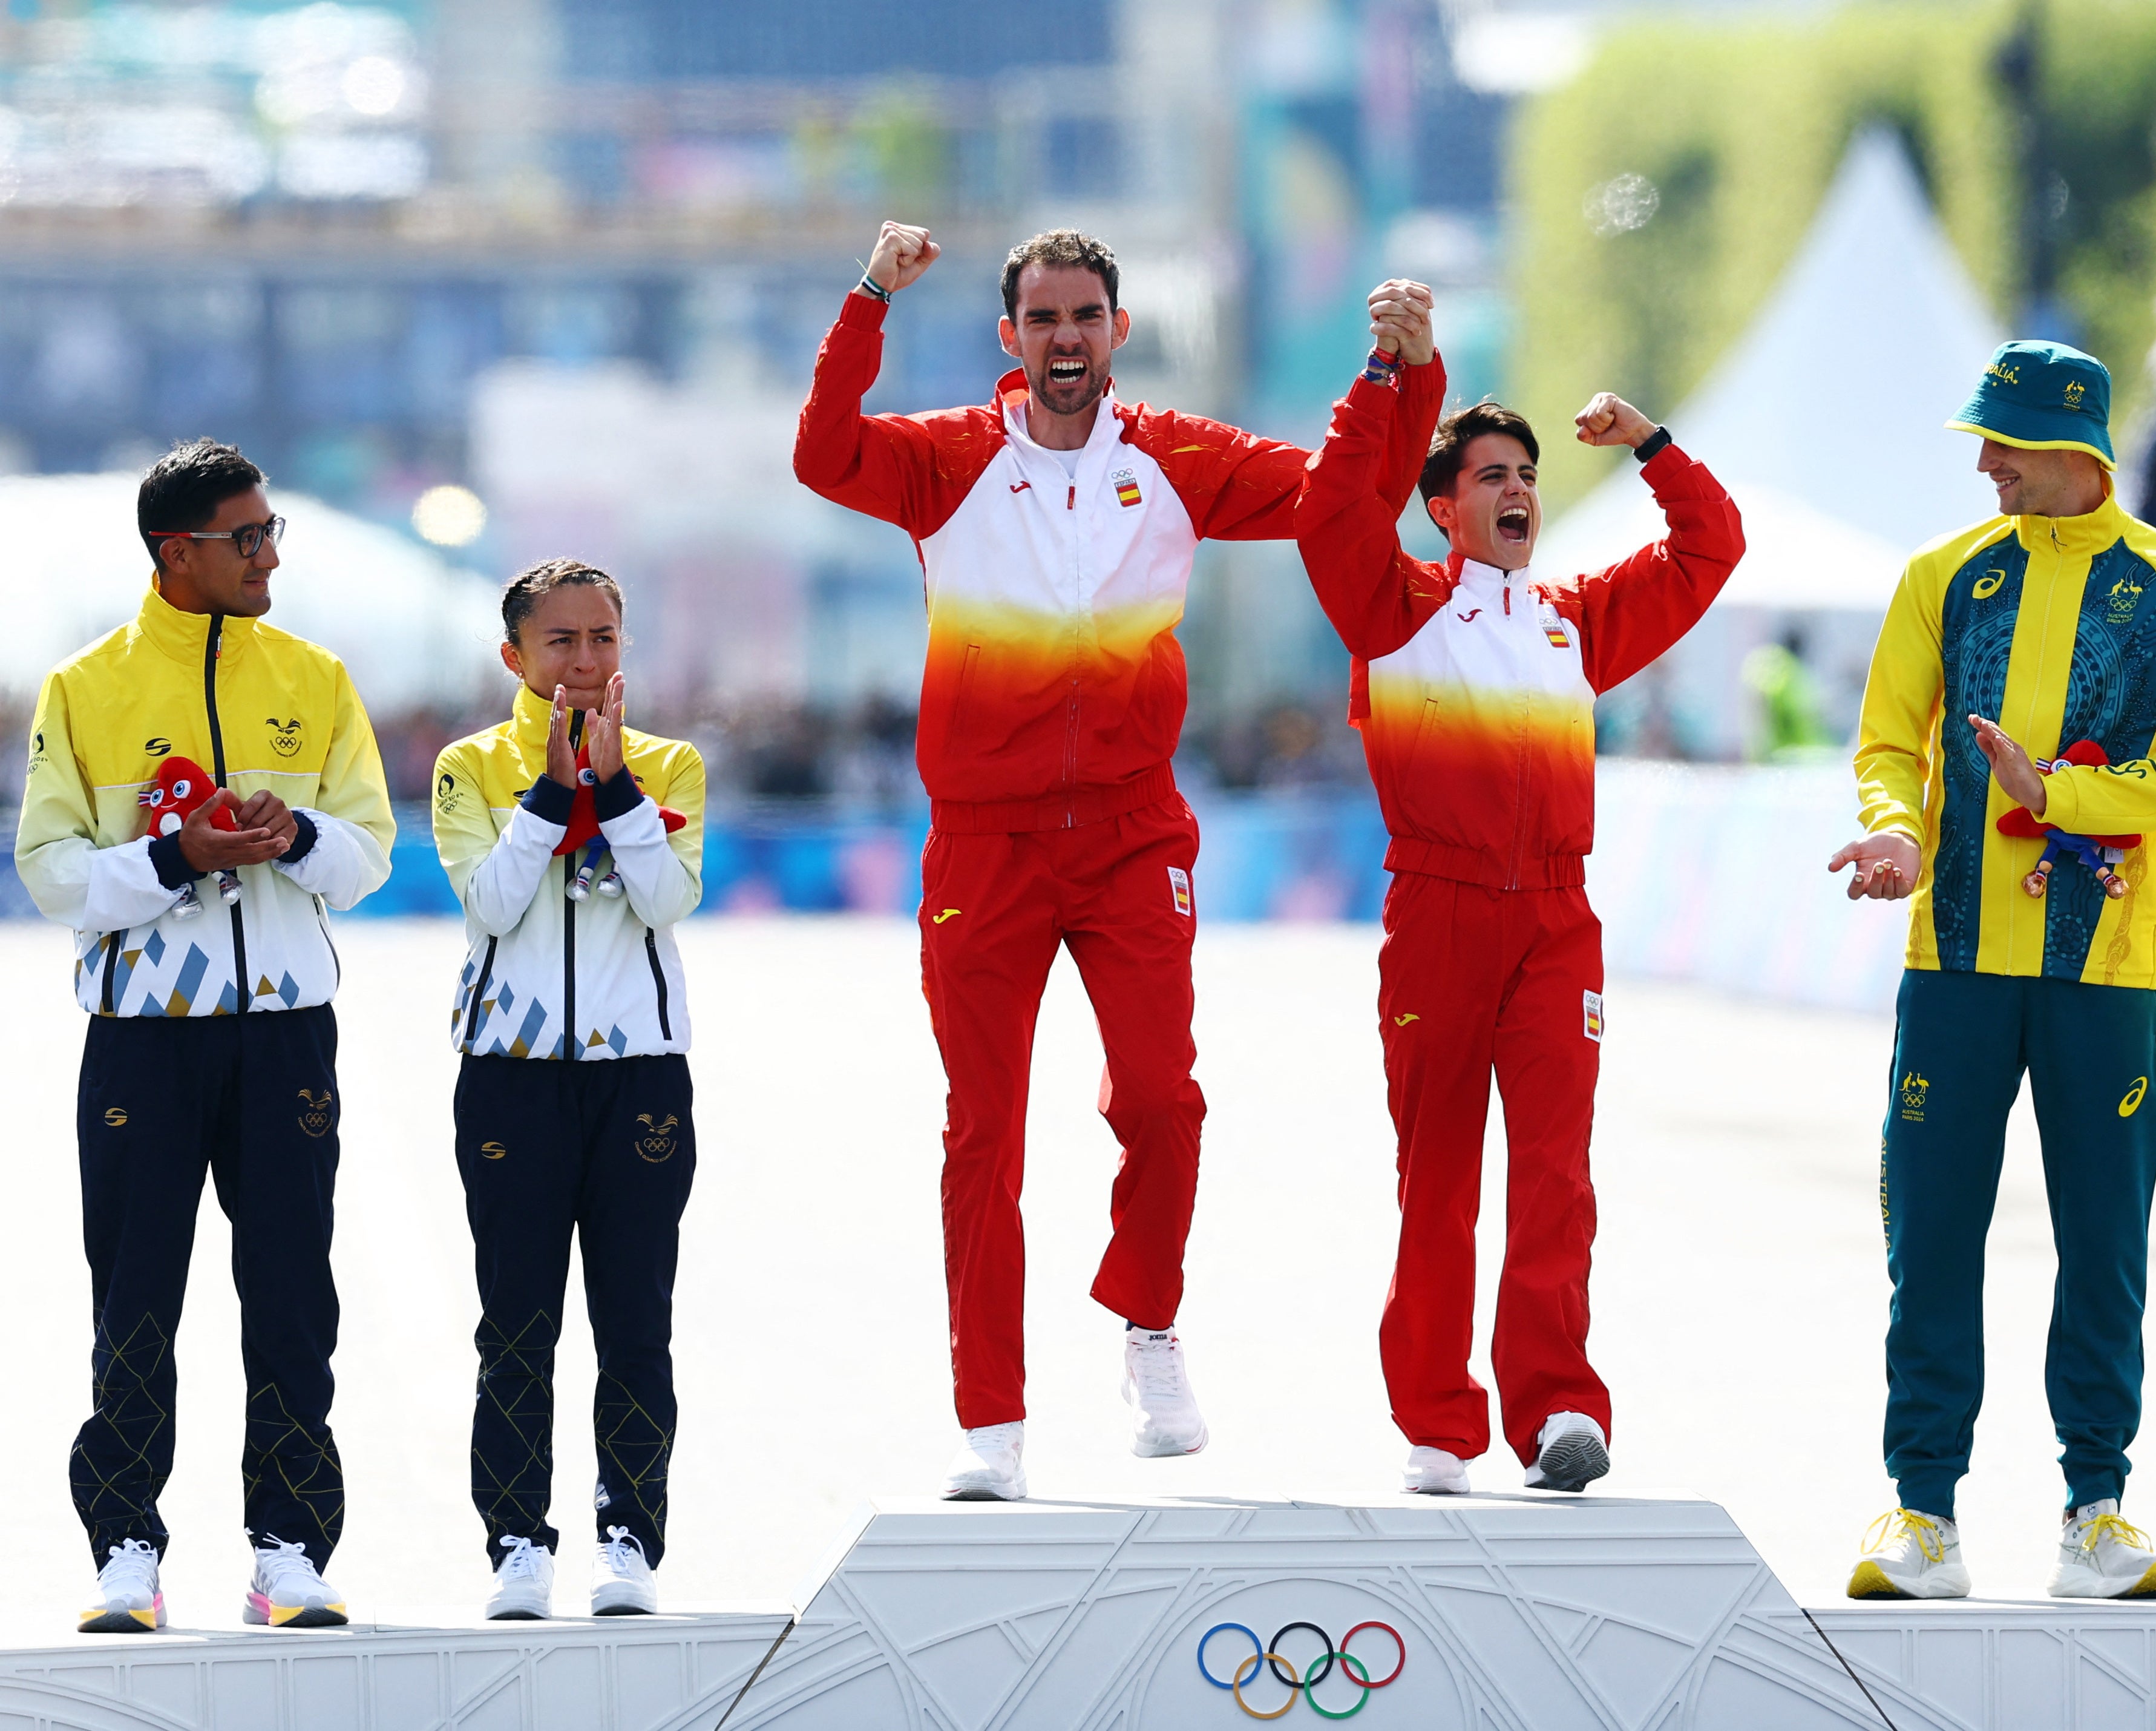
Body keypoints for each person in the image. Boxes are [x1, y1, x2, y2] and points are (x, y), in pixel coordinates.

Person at [792, 221, 1441, 1500]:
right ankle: (992, 1417)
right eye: (1042, 320)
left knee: (1160, 1096)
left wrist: (1399, 378)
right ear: (1010, 338)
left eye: (1085, 317)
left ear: (1116, 331)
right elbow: (822, 453)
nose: (1066, 339)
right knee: (984, 1128)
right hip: (986, 839)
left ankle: (1149, 1325)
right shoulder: (945, 461)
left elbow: (1343, 498)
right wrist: (869, 296)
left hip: (1135, 829)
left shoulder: (1177, 459)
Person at [1294, 286, 1744, 1493]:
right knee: (1438, 1178)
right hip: (1436, 915)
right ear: (1444, 509)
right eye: (1491, 474)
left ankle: (1555, 1409)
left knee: (1555, 1172)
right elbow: (1330, 510)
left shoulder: (1575, 625)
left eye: (1529, 475)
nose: (1517, 491)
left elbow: (1712, 550)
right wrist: (1399, 376)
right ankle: (1438, 1416)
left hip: (1556, 920)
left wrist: (1653, 446)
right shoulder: (1393, 612)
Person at [1828, 343, 2156, 1601]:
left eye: (2002, 440)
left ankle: (2098, 1508)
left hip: (2104, 970)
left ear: (2081, 446)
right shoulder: (1940, 577)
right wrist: (1899, 827)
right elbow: (1889, 738)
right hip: (1951, 960)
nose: (1983, 462)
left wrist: (2053, 792)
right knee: (1931, 1234)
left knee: (2103, 1242)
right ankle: (1920, 1508)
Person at [17, 439, 394, 1634]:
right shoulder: (87, 685)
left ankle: (288, 1545)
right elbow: (49, 874)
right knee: (134, 1294)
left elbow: (372, 852)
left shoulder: (320, 674)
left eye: (274, 529)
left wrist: (289, 840)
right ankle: (126, 1543)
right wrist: (179, 855)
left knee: (292, 1293)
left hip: (286, 1035)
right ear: (179, 550)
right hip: (144, 1039)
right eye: (249, 536)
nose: (271, 552)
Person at [431, 559, 707, 1618]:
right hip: (510, 1074)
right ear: (515, 657)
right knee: (515, 1323)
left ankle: (627, 1535)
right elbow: (492, 908)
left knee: (635, 1319)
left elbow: (669, 896)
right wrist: (551, 792)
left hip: (641, 1076)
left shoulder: (671, 763)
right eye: (560, 643)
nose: (584, 662)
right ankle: (514, 1542)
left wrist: (618, 786)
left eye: (603, 639)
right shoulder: (469, 766)